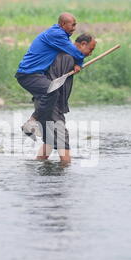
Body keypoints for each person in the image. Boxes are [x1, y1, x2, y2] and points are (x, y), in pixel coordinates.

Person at [15, 13, 97, 164]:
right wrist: (79, 62)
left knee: (50, 140)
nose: (91, 53)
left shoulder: (61, 42)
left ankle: (39, 167)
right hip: (32, 79)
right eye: (90, 49)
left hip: (44, 94)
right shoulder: (63, 49)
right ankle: (32, 122)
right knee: (61, 137)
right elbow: (57, 80)